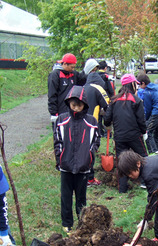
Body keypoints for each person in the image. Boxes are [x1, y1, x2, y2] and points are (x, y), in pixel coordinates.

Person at [53, 86, 100, 234]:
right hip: (66, 165)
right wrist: (59, 158)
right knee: (66, 197)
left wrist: (90, 156)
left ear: (84, 105)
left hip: (83, 167)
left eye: (79, 105)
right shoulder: (62, 120)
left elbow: (96, 141)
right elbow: (57, 141)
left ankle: (82, 222)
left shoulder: (91, 121)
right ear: (68, 104)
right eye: (73, 105)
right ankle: (67, 223)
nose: (76, 108)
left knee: (81, 198)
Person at [104, 74, 148, 193]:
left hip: (119, 137)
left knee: (121, 161)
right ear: (132, 84)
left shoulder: (114, 100)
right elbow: (141, 120)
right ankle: (145, 182)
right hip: (135, 136)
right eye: (136, 84)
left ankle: (122, 188)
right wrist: (144, 132)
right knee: (143, 157)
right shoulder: (136, 100)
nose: (137, 87)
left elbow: (106, 119)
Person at [83, 58, 110, 186]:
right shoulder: (99, 88)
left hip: (79, 124)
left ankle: (82, 176)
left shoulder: (82, 88)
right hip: (92, 124)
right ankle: (90, 178)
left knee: (82, 149)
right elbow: (107, 107)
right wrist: (108, 123)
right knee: (91, 150)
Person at [48, 53, 84, 132]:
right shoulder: (55, 75)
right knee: (60, 135)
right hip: (60, 111)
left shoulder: (73, 74)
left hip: (71, 110)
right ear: (64, 64)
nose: (73, 69)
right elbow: (52, 95)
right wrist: (53, 113)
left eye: (74, 67)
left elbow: (83, 79)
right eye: (72, 67)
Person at [136, 73, 158, 154]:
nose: (139, 87)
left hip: (157, 112)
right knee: (157, 132)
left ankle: (153, 151)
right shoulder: (157, 86)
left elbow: (148, 109)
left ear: (143, 83)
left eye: (139, 84)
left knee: (147, 131)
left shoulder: (147, 92)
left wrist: (146, 119)